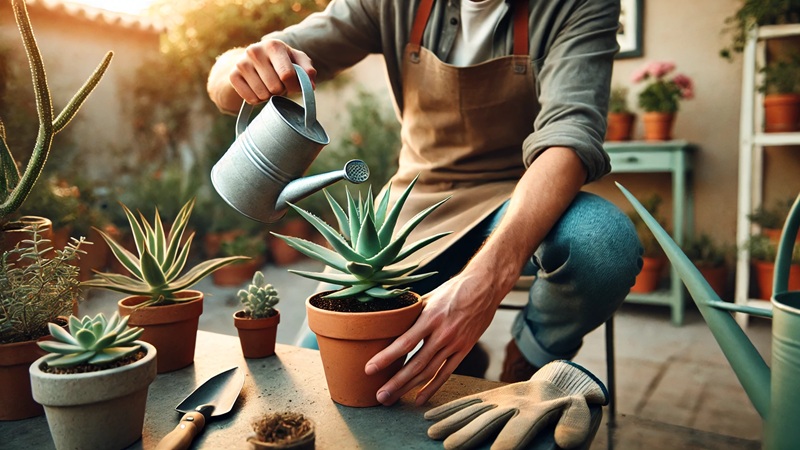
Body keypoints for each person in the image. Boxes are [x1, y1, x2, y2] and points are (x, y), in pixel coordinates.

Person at [207, 0, 642, 408]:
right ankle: (461, 361)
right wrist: (242, 67)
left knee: (603, 243)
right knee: (322, 373)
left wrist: (486, 283)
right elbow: (223, 88)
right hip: (414, 200)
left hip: (524, 198)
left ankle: (525, 359)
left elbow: (569, 137)